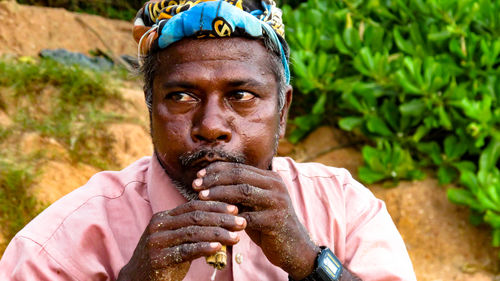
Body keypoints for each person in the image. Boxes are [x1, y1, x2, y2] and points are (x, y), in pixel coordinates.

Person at [0, 0, 417, 280]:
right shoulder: (59, 243)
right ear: (150, 107)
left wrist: (310, 261)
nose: (211, 125)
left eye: (241, 95)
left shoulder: (344, 207)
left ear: (283, 110)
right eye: (181, 96)